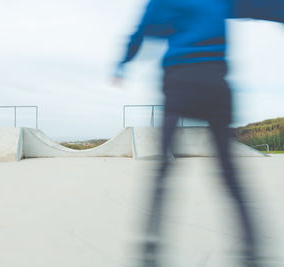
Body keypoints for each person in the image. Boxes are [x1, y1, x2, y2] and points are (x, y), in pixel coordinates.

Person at [114, 0, 283, 266]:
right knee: (229, 172)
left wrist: (123, 61)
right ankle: (252, 251)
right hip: (215, 81)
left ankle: (150, 249)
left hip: (179, 80)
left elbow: (145, 29)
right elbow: (260, 7)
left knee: (161, 169)